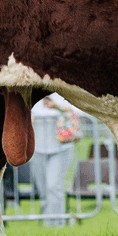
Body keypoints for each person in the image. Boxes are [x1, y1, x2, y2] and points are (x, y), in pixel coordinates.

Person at [29, 93, 76, 226]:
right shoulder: (31, 94)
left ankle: (55, 223)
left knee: (53, 186)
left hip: (60, 147)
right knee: (43, 189)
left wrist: (59, 107)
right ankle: (47, 223)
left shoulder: (63, 91)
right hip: (37, 148)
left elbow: (79, 111)